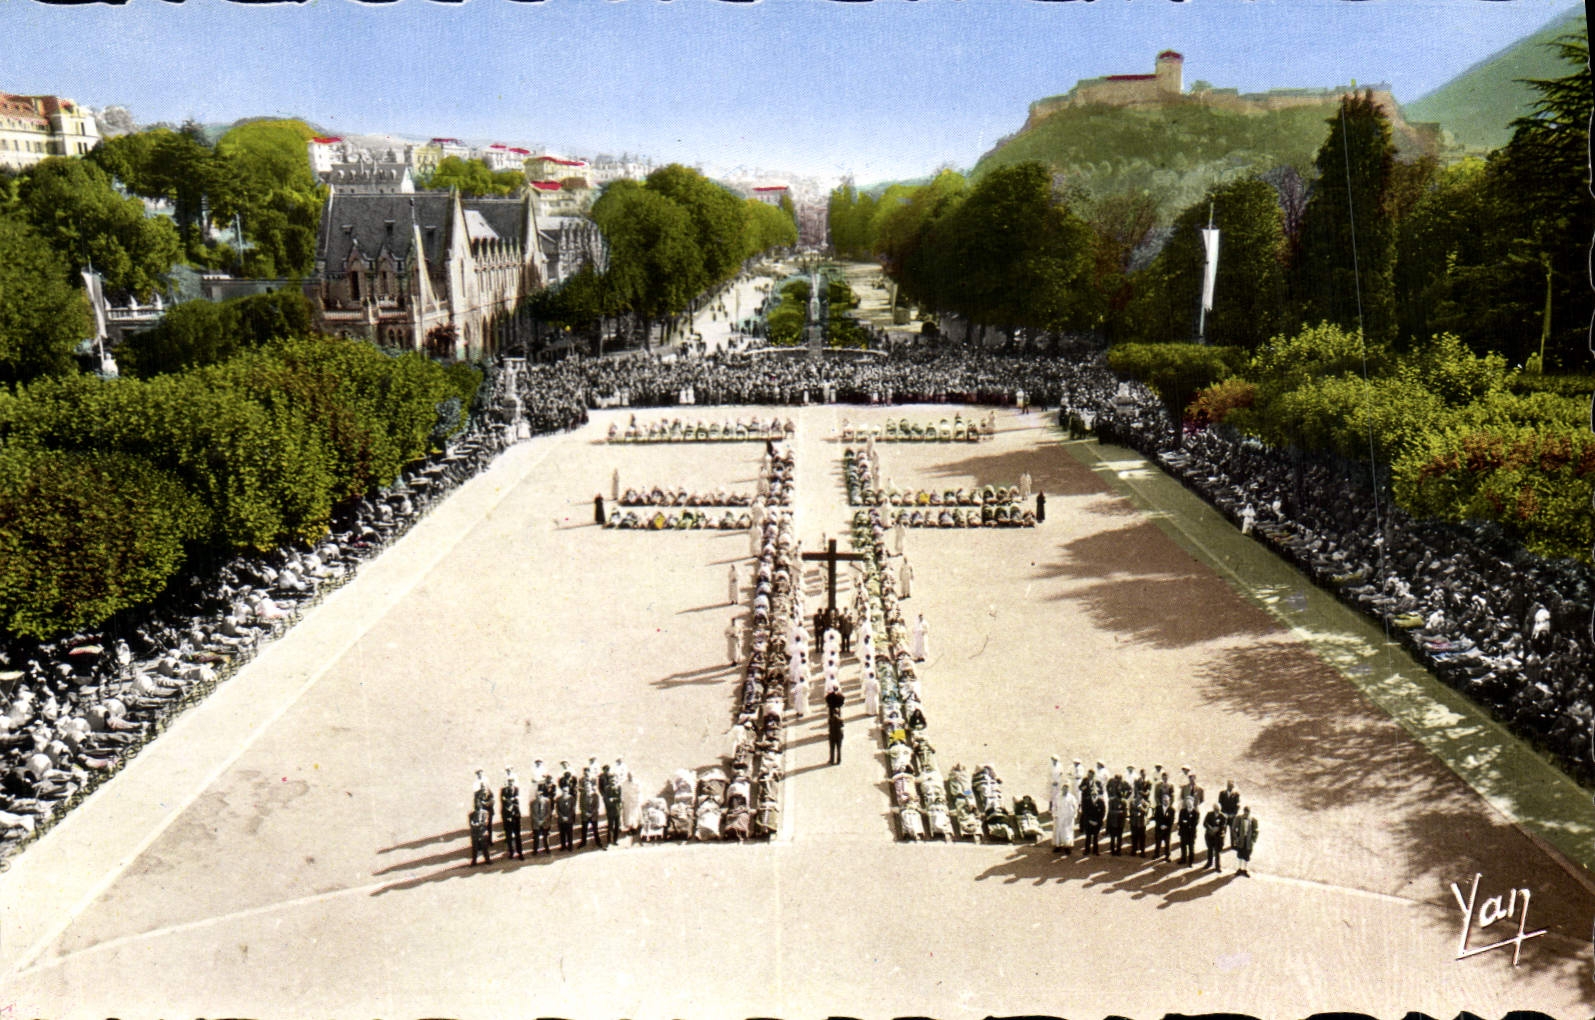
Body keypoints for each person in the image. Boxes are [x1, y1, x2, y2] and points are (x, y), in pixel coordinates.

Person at [1051, 770, 1079, 856]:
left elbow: (1075, 807)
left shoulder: (1071, 798)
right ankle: (1057, 846)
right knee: (1058, 832)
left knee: (1067, 832)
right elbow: (1054, 806)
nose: (1065, 789)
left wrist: (1074, 815)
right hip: (1059, 817)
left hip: (1068, 818)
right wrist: (1055, 814)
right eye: (1064, 787)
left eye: (1067, 788)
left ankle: (1067, 847)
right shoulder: (1057, 797)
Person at [500, 768, 525, 861]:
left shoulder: (516, 789)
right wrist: (507, 817)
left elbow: (516, 803)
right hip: (507, 816)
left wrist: (514, 815)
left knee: (518, 836)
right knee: (509, 837)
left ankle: (520, 852)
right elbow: (503, 802)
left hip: (515, 817)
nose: (510, 783)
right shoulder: (504, 790)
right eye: (509, 781)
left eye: (512, 781)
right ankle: (511, 852)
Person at [1231, 806, 1258, 876]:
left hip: (1248, 840)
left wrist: (1253, 840)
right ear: (1243, 811)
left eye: (1248, 812)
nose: (1246, 814)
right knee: (1240, 854)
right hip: (1241, 839)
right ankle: (1239, 869)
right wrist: (1236, 838)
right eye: (1245, 812)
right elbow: (1233, 828)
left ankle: (1245, 869)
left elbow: (1256, 831)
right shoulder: (1239, 818)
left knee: (1247, 855)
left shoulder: (1253, 820)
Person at [601, 764, 623, 847]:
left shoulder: (619, 788)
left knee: (617, 826)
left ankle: (615, 840)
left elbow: (621, 798)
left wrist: (614, 799)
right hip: (610, 809)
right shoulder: (607, 788)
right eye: (611, 780)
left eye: (614, 780)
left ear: (616, 780)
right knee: (610, 825)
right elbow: (605, 798)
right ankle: (609, 840)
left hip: (617, 809)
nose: (613, 781)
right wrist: (609, 802)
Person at [1203, 804, 1227, 873]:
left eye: (1218, 809)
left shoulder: (1223, 816)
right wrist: (1210, 828)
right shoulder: (1209, 814)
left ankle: (1217, 866)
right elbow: (1205, 823)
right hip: (1210, 835)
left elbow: (1223, 826)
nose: (1216, 810)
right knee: (1210, 850)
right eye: (1215, 809)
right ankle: (1209, 863)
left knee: (1217, 852)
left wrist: (1217, 829)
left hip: (1218, 836)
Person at [1218, 780, 1241, 851]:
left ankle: (1233, 844)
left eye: (1231, 786)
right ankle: (1220, 844)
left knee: (1233, 830)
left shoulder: (1236, 794)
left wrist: (1233, 814)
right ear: (1227, 786)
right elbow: (1220, 802)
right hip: (1224, 814)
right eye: (1229, 785)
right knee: (1222, 830)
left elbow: (1238, 805)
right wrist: (1223, 813)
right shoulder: (1222, 793)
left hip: (1232, 815)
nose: (1230, 787)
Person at [1177, 796, 1199, 867]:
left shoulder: (1196, 812)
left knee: (1191, 848)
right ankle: (1183, 859)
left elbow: (1195, 823)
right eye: (1187, 803)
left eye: (1190, 803)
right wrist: (1185, 823)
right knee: (1183, 846)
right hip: (1183, 832)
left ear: (1193, 803)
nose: (1189, 804)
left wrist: (1186, 822)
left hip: (1191, 833)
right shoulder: (1182, 811)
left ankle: (1191, 861)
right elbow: (1180, 821)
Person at [530, 785, 553, 856]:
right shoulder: (532, 802)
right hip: (536, 822)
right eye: (537, 795)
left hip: (545, 821)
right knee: (536, 837)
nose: (538, 796)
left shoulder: (547, 801)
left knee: (545, 837)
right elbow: (532, 813)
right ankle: (535, 850)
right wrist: (537, 821)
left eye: (540, 795)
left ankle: (547, 849)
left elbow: (548, 812)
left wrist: (543, 820)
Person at [1152, 789, 1174, 862]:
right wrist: (1160, 825)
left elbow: (1171, 820)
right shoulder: (1158, 808)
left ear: (1169, 801)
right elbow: (1156, 818)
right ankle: (1156, 854)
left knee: (1167, 844)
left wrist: (1166, 826)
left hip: (1167, 830)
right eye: (1164, 800)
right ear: (1162, 801)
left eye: (1167, 800)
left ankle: (1167, 856)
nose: (1166, 801)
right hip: (1159, 828)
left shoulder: (1172, 810)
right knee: (1158, 842)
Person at [1105, 785, 1127, 855]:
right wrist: (1118, 812)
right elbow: (1110, 811)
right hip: (1113, 822)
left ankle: (1118, 850)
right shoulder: (1111, 801)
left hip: (1120, 822)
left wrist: (1122, 815)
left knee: (1119, 837)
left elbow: (1125, 812)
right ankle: (1112, 850)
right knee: (1112, 837)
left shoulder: (1123, 802)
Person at [555, 783, 576, 852]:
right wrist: (562, 817)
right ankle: (563, 846)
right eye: (563, 791)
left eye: (566, 791)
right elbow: (557, 809)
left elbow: (573, 809)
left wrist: (568, 817)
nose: (565, 792)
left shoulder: (572, 798)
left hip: (569, 819)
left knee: (569, 833)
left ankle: (570, 846)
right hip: (561, 820)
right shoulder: (558, 799)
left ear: (568, 791)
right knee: (562, 834)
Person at [1129, 788, 1149, 857]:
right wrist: (1135, 813)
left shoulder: (1146, 803)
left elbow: (1146, 812)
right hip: (1134, 822)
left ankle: (1142, 851)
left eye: (1140, 796)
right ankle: (1134, 850)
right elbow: (1130, 811)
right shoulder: (1133, 802)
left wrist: (1141, 808)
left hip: (1141, 823)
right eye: (1138, 795)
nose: (1139, 797)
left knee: (1142, 838)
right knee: (1134, 837)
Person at [827, 695, 845, 765]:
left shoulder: (830, 719)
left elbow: (829, 725)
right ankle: (839, 760)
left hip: (832, 735)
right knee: (839, 748)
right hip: (839, 735)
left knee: (832, 748)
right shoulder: (840, 719)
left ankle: (832, 760)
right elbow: (842, 725)